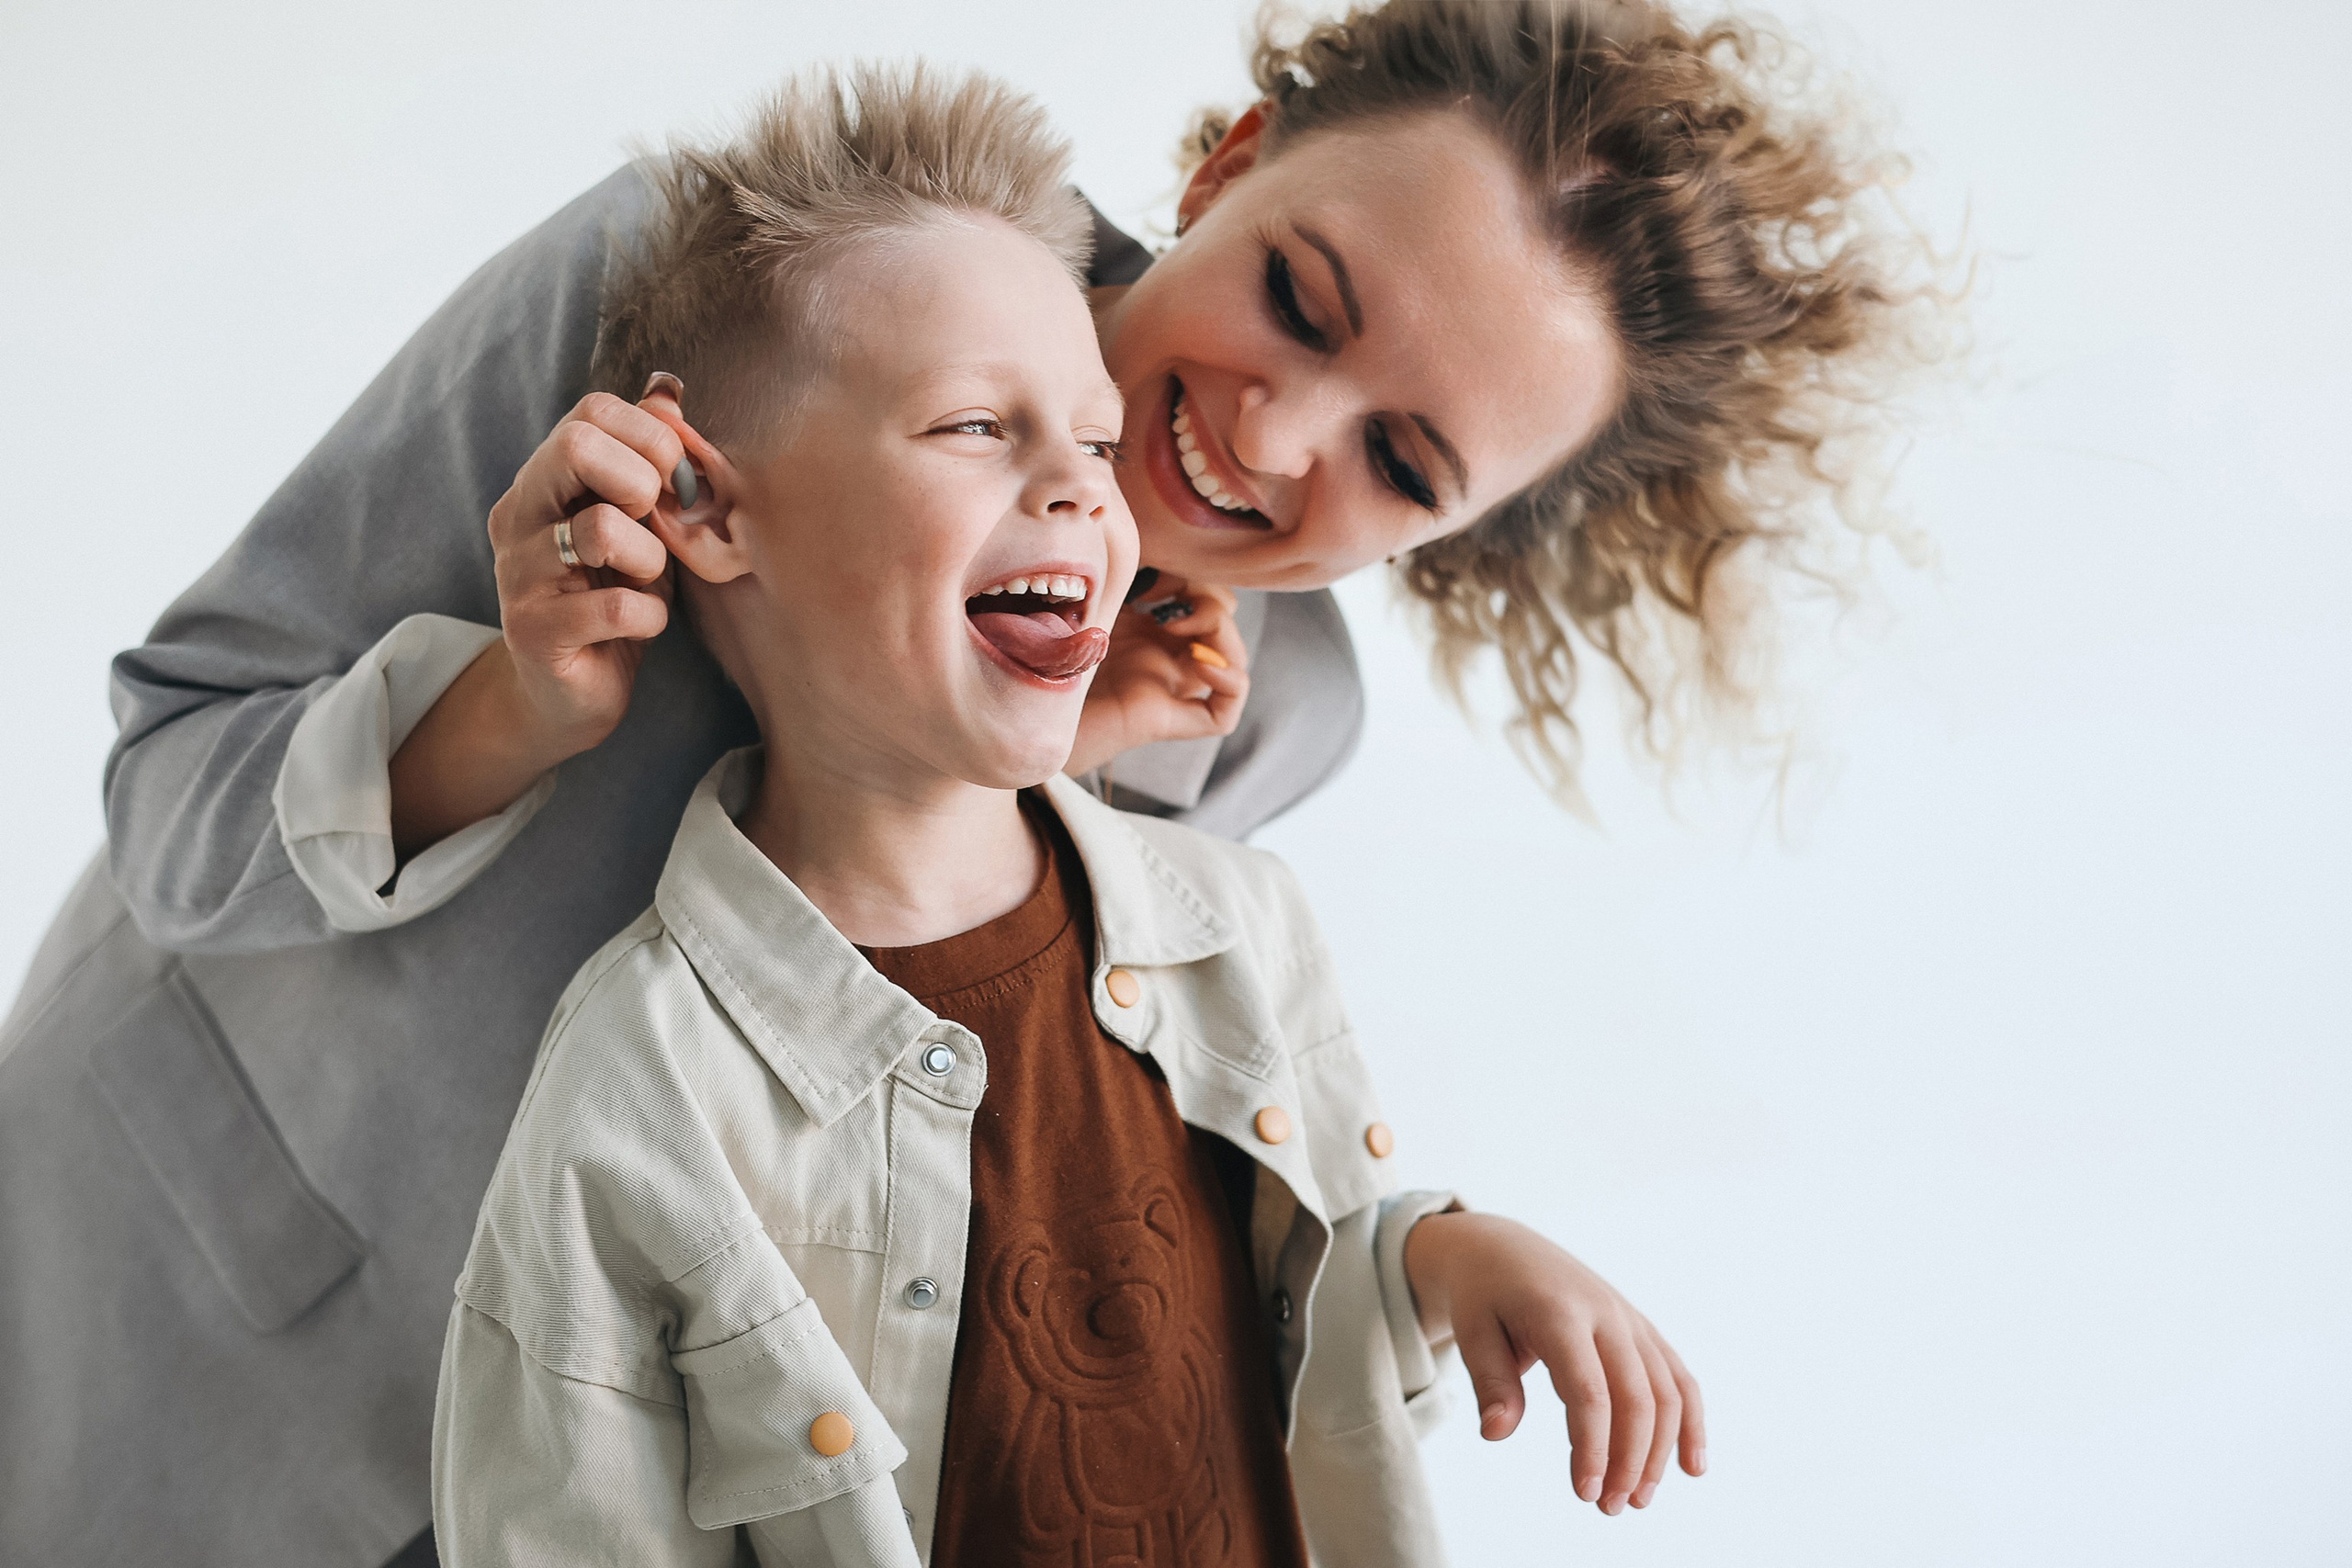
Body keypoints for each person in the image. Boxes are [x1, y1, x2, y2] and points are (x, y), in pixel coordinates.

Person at [0, 4, 1925, 1564]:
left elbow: (985, 1146)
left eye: (1404, 464)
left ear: (1469, 526)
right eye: (1300, 299)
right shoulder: (707, 268)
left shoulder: (1253, 716)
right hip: (180, 1321)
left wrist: (1408, 1247)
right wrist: (510, 707)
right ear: (1229, 165)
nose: (1265, 433)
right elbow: (176, 770)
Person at [434, 67, 1693, 1567]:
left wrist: (1437, 1255)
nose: (1100, 498)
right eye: (979, 425)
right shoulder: (643, 1079)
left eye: (1094, 447)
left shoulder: (1245, 919)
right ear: (704, 505)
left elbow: (1276, 1296)